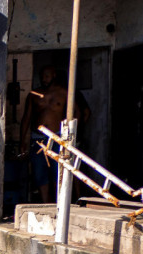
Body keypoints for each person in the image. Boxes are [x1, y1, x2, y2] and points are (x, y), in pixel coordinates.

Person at [21, 66, 91, 203]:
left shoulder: (64, 93)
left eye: (47, 76)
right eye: (42, 76)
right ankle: (45, 203)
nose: (44, 79)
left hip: (57, 138)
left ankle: (59, 202)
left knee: (57, 172)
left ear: (53, 75)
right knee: (40, 173)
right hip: (38, 138)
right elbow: (26, 118)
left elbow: (79, 113)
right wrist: (22, 141)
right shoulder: (34, 94)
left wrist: (73, 134)